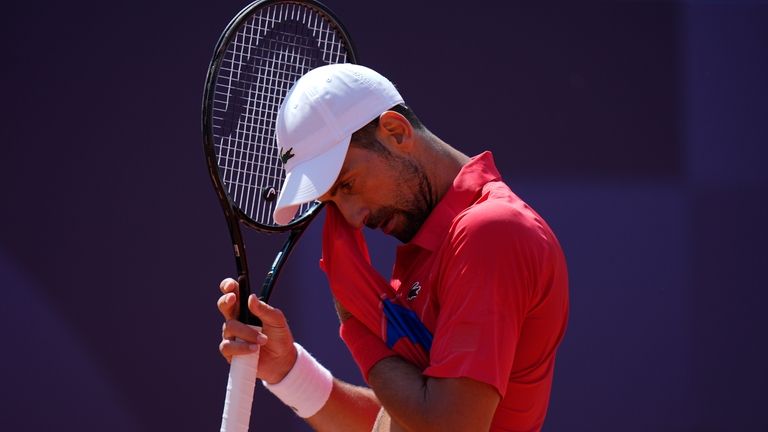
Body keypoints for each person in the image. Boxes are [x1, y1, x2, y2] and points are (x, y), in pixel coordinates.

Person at [217, 64, 569, 431]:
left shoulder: (491, 232)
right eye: (333, 201)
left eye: (348, 185)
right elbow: (399, 425)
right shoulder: (430, 248)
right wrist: (288, 370)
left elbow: (447, 427)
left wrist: (356, 319)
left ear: (396, 132)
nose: (352, 217)